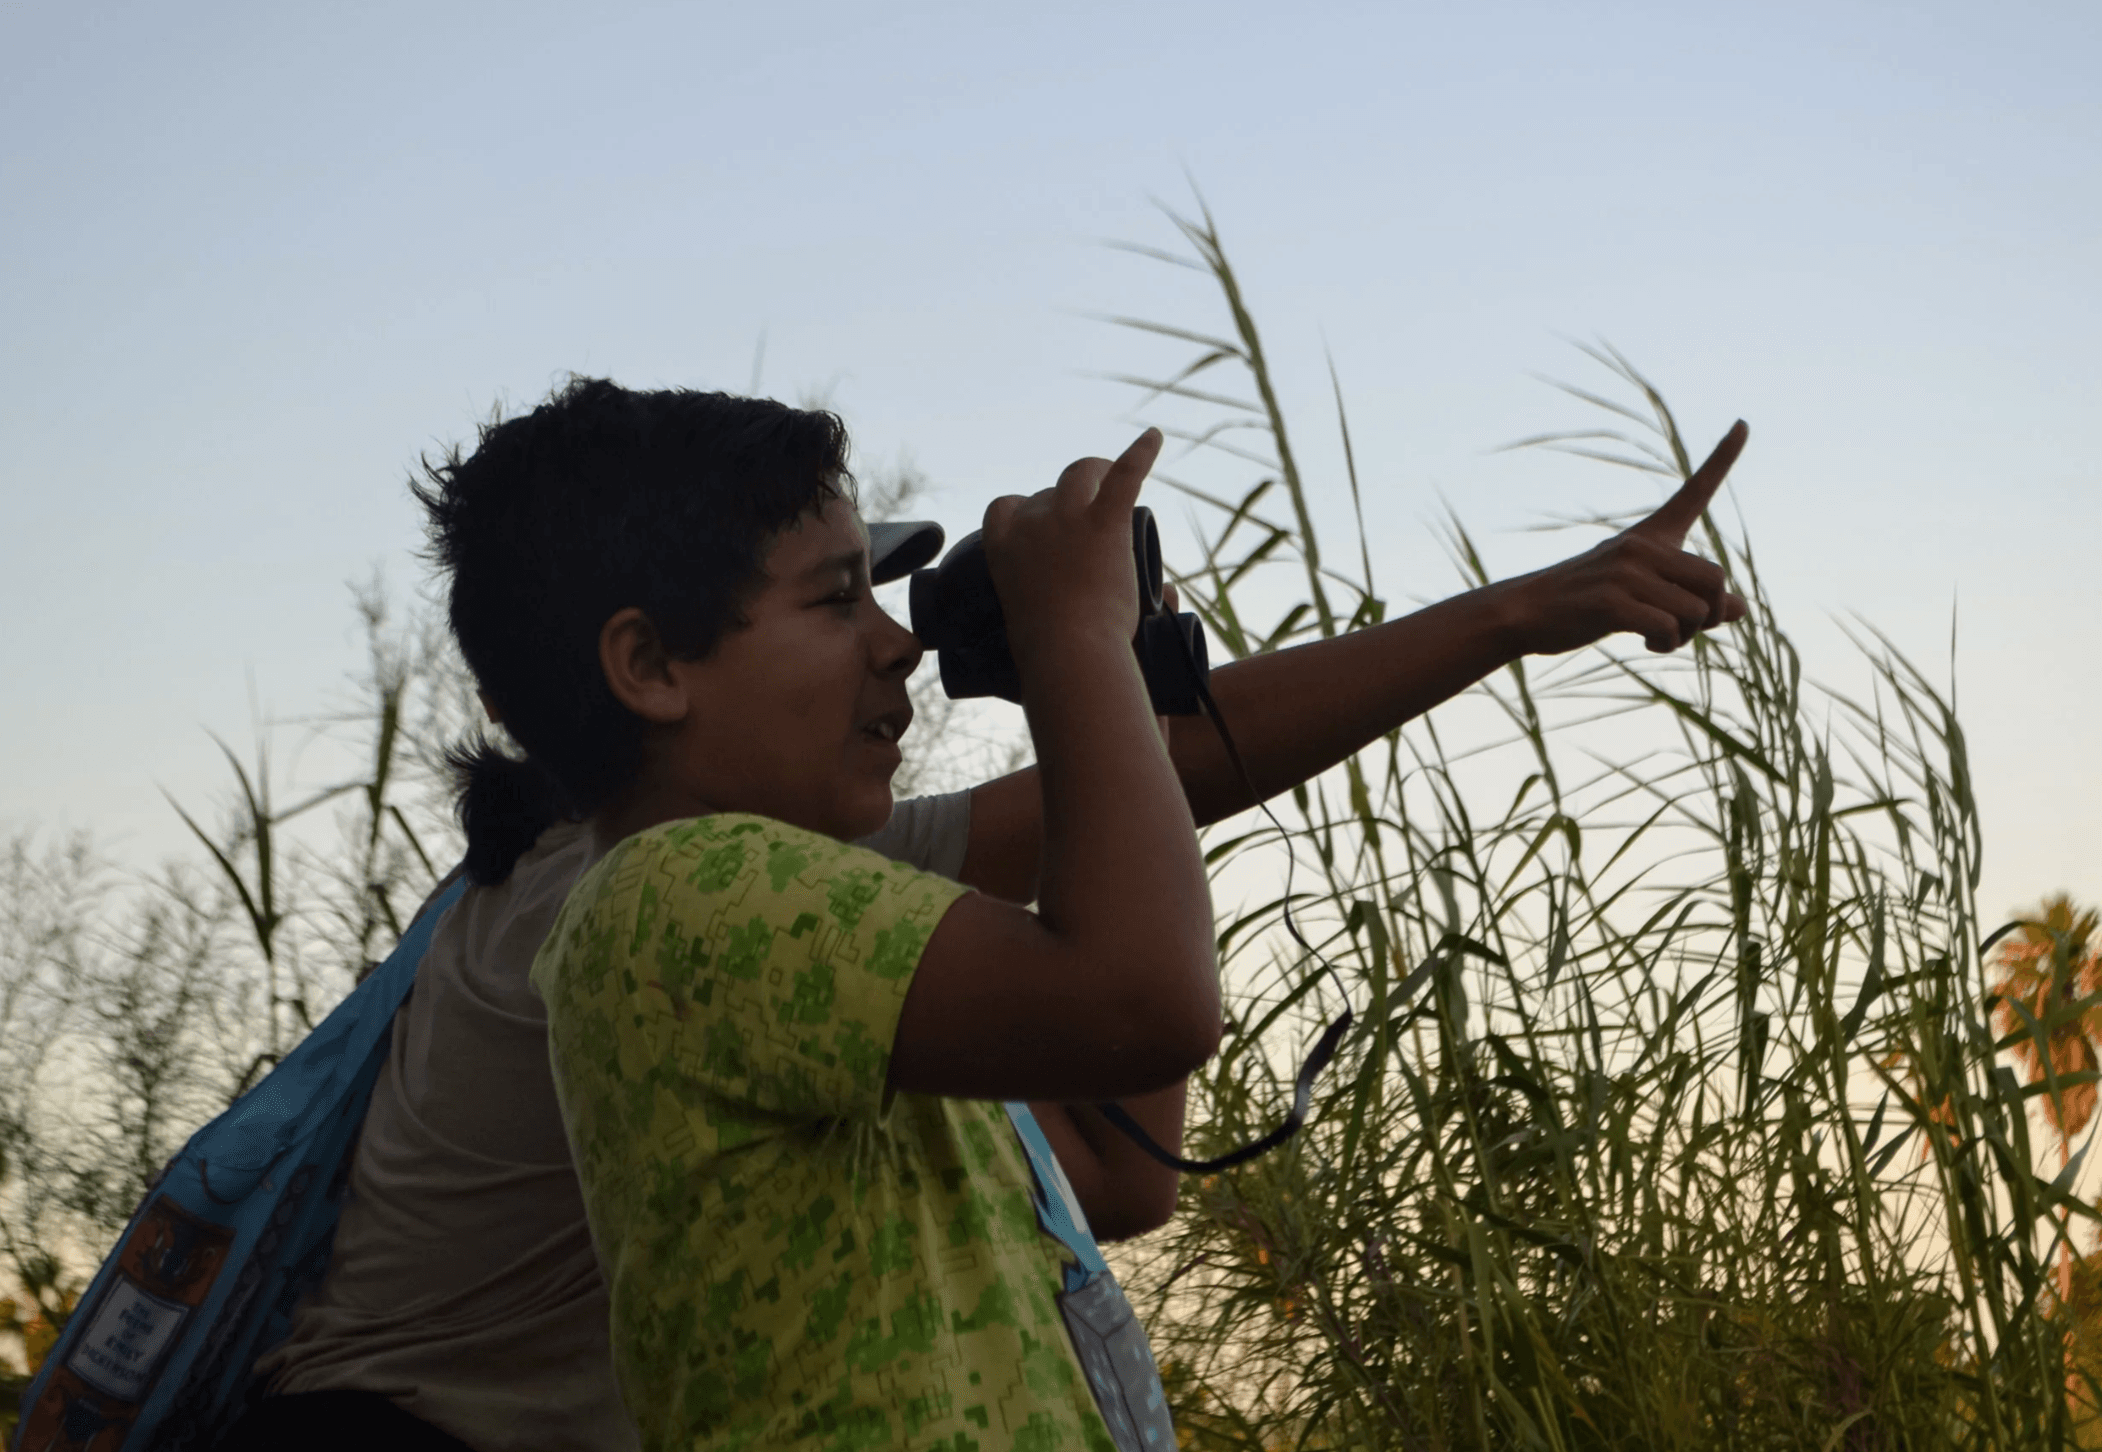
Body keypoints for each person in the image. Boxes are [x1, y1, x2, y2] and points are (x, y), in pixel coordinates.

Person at [228, 377, 1748, 1451]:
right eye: (838, 602)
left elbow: (1109, 1163)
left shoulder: (804, 934)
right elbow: (1132, 984)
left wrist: (1125, 682)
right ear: (650, 666)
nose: (899, 645)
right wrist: (1084, 648)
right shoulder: (663, 898)